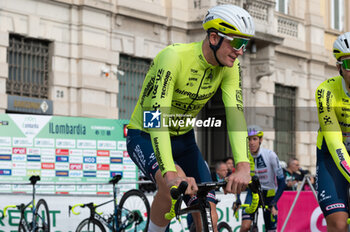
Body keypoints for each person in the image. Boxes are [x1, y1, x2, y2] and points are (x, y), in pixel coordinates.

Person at [126, 4, 255, 232]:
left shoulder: (231, 68)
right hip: (146, 134)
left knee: (209, 213)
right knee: (172, 186)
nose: (240, 51)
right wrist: (170, 174)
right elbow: (156, 117)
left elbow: (235, 114)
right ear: (214, 37)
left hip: (184, 141)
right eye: (236, 43)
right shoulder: (173, 57)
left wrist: (244, 165)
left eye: (245, 44)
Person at [315, 31, 350, 232]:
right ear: (339, 67)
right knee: (338, 224)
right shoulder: (325, 91)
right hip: (331, 156)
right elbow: (335, 143)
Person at [239, 125, 285, 232]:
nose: (251, 142)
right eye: (249, 139)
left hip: (269, 195)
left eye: (254, 139)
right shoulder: (244, 157)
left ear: (260, 140)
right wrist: (237, 199)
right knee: (245, 227)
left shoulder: (270, 155)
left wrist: (274, 202)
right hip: (253, 192)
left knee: (271, 230)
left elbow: (282, 182)